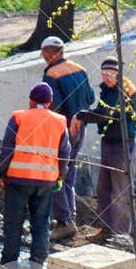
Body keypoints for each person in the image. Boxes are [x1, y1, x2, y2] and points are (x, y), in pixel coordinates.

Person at [0, 82, 72, 269]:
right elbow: (64, 154)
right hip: (45, 181)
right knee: (40, 223)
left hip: (17, 179)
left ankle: (8, 263)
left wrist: (1, 173)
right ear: (49, 102)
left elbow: (7, 149)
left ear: (31, 100)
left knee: (13, 223)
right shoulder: (60, 121)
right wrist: (60, 176)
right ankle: (38, 263)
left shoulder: (19, 117)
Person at [73, 57, 136, 236]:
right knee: (103, 188)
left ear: (119, 74)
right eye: (104, 74)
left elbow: (105, 115)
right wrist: (84, 114)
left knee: (120, 193)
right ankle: (108, 228)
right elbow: (100, 111)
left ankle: (122, 234)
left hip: (123, 146)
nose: (107, 78)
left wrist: (81, 116)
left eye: (111, 74)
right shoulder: (106, 91)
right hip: (108, 144)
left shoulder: (123, 92)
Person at [38, 36, 91, 237]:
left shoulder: (52, 74)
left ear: (50, 53)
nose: (43, 58)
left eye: (43, 54)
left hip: (62, 131)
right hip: (80, 128)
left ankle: (63, 221)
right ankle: (71, 216)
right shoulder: (80, 68)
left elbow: (54, 106)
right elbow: (90, 98)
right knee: (69, 174)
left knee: (56, 174)